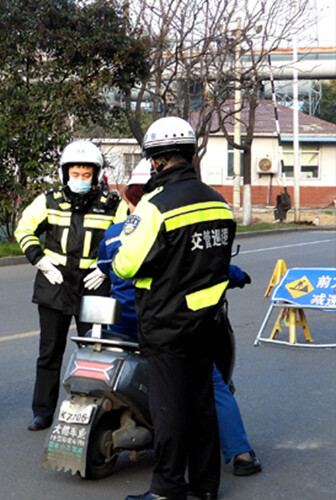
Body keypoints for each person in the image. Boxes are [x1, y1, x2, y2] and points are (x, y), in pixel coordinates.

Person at [91, 158, 262, 479]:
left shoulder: (113, 234)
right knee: (210, 382)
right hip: (166, 325)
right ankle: (240, 455)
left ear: (129, 196)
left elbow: (108, 269)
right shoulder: (172, 223)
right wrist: (237, 274)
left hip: (120, 328)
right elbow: (204, 270)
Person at [107, 117, 235, 500]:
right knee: (201, 405)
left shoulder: (154, 207)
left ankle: (166, 489)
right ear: (191, 154)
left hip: (166, 322)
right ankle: (205, 488)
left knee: (169, 409)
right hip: (208, 319)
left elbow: (125, 264)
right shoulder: (218, 202)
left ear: (156, 161)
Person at [14, 140, 119, 432]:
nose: (81, 180)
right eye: (75, 174)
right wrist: (40, 261)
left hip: (94, 284)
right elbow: (24, 229)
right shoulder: (48, 200)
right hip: (54, 282)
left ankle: (95, 412)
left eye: (87, 175)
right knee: (49, 352)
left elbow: (127, 238)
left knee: (96, 352)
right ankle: (42, 412)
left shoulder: (112, 204)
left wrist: (107, 266)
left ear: (96, 175)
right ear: (65, 173)